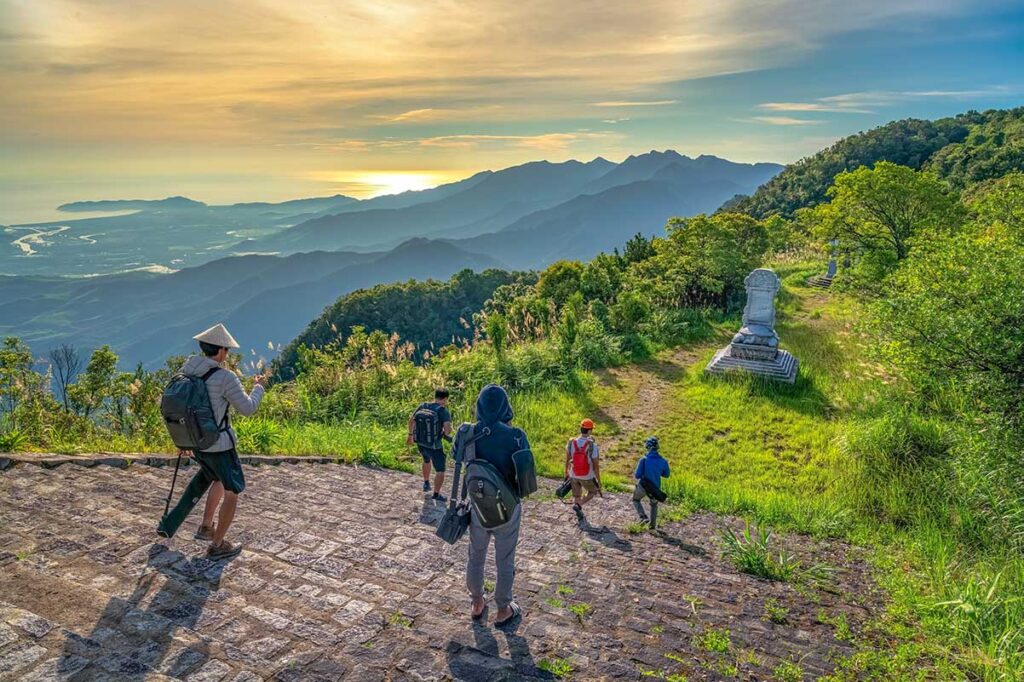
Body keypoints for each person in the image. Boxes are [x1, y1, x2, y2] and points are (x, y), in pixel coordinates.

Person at [157, 323, 265, 560]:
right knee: (232, 491)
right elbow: (247, 408)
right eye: (227, 350)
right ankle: (217, 545)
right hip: (219, 445)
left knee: (214, 477)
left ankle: (206, 527)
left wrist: (184, 440)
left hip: (196, 443)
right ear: (221, 351)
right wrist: (258, 388)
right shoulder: (224, 377)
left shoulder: (186, 370)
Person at [462, 384, 528, 627]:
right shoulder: (516, 435)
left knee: (476, 554)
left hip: (478, 506)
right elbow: (527, 479)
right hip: (508, 508)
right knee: (505, 558)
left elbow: (458, 460)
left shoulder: (468, 432)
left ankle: (477, 602)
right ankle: (503, 608)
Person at [407, 388, 453, 501]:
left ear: (435, 396)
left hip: (421, 442)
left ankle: (426, 482)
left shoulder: (423, 405)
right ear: (445, 399)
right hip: (435, 445)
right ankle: (436, 494)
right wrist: (447, 431)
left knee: (426, 461)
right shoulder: (443, 411)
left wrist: (410, 436)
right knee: (440, 470)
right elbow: (447, 431)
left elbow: (411, 420)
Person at [633, 436, 670, 530]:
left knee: (636, 500)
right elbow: (666, 475)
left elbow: (637, 475)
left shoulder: (644, 459)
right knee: (654, 505)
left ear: (647, 447)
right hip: (655, 488)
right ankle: (652, 526)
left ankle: (643, 517)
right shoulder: (663, 461)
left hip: (643, 486)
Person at [565, 418, 601, 514]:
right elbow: (596, 465)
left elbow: (568, 459)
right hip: (587, 476)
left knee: (576, 495)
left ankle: (578, 511)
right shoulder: (593, 446)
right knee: (592, 492)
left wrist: (566, 472)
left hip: (573, 474)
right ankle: (579, 505)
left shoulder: (571, 442)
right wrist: (598, 480)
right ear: (589, 431)